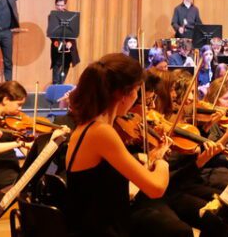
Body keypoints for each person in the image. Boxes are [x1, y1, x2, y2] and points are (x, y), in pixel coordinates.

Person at [65, 53, 171, 236]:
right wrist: (162, 161)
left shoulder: (86, 126)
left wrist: (148, 159)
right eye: (137, 90)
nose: (137, 97)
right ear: (123, 95)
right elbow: (156, 188)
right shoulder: (102, 133)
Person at [49, 0, 80, 84]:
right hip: (57, 45)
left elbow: (74, 31)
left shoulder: (71, 16)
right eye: (58, 5)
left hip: (69, 46)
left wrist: (69, 42)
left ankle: (60, 84)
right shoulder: (51, 16)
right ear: (55, 4)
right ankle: (55, 85)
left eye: (62, 5)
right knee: (56, 66)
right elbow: (51, 33)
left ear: (65, 5)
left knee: (66, 65)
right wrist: (60, 42)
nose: (60, 7)